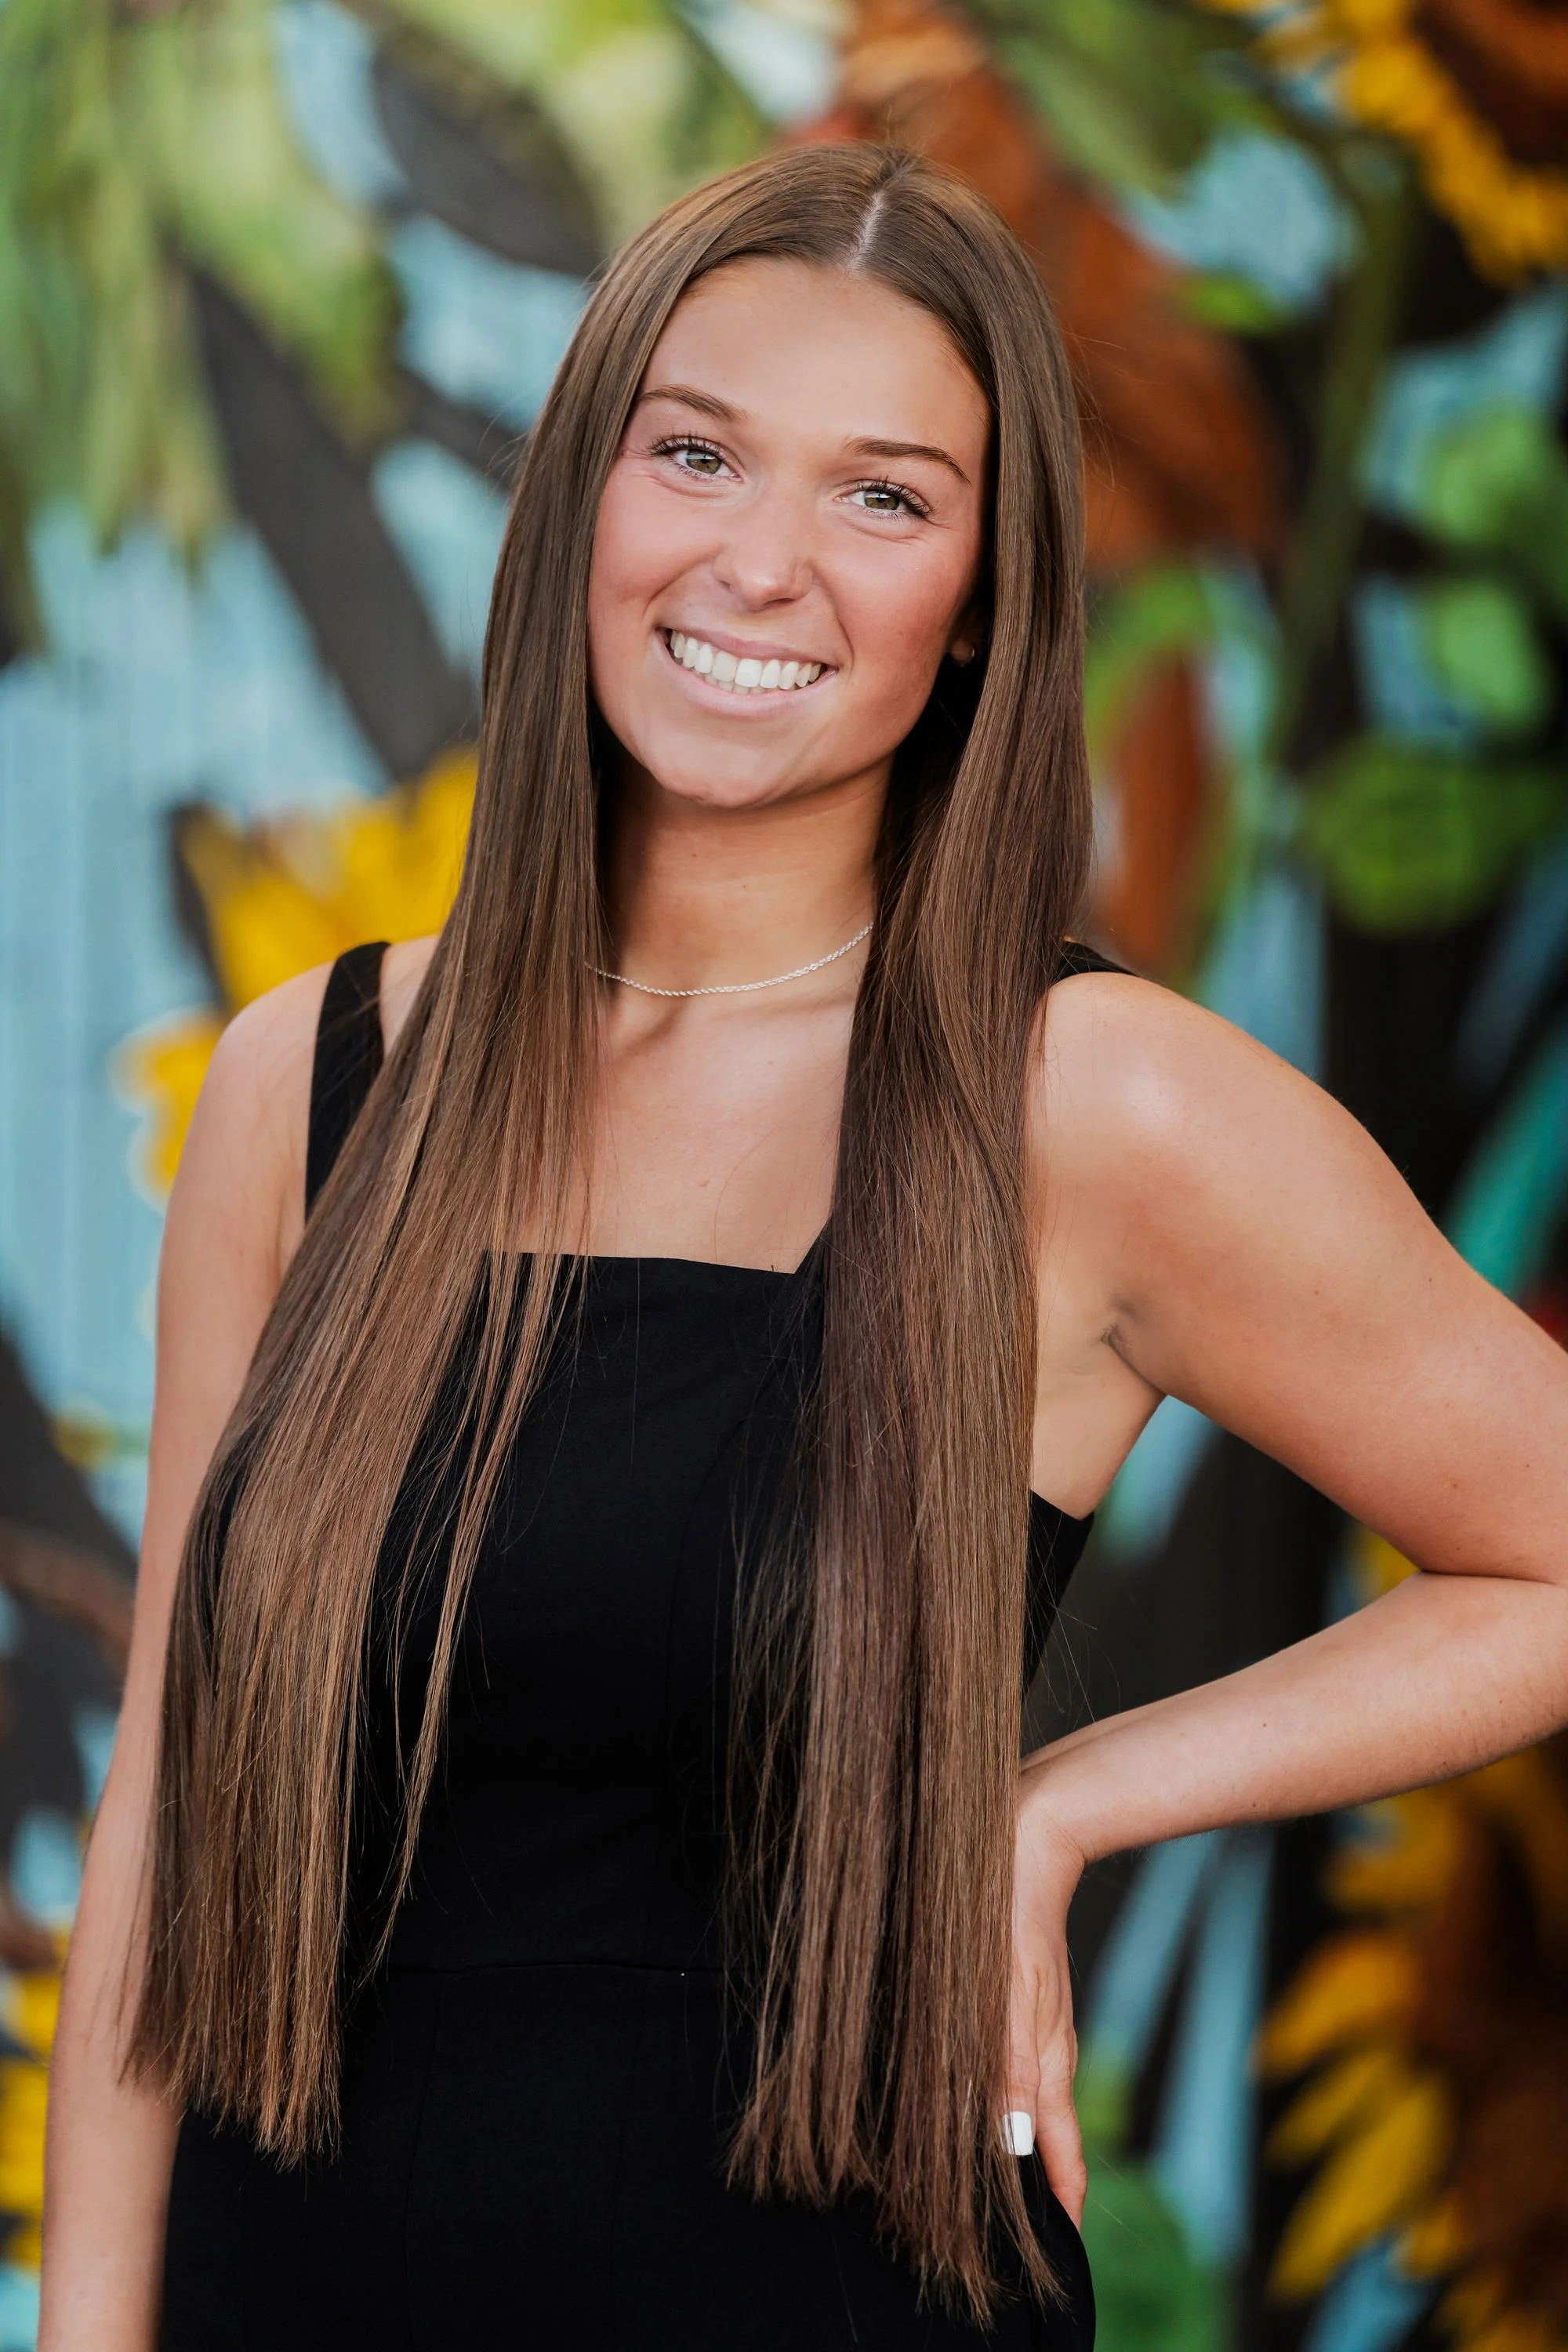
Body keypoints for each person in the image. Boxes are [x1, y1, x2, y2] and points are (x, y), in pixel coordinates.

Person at [37, 141, 1568, 2352]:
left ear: (980, 602)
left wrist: (1061, 1807)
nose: (762, 564)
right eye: (697, 454)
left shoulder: (1092, 1106)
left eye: (884, 495)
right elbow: (169, 1849)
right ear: (583, 503)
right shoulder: (312, 1077)